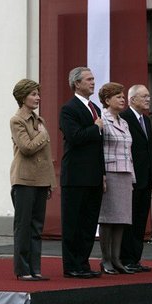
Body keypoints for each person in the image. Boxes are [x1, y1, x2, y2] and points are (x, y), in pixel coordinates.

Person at [59, 66, 105, 279]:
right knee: (73, 224)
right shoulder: (69, 109)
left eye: (93, 79)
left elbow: (99, 147)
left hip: (94, 176)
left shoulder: (95, 107)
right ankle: (72, 266)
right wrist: (95, 128)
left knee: (88, 223)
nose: (93, 83)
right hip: (76, 176)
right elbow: (74, 136)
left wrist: (102, 174)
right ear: (76, 83)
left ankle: (83, 264)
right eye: (88, 79)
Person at [10, 79, 56, 281]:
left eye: (38, 94)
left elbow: (46, 157)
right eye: (33, 94)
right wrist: (43, 136)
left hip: (40, 180)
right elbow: (26, 147)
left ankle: (35, 268)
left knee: (37, 227)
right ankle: (23, 269)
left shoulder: (40, 121)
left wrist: (50, 182)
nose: (38, 97)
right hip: (24, 179)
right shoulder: (17, 120)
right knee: (23, 226)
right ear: (23, 97)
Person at [97, 82, 135, 275]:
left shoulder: (124, 122)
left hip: (125, 173)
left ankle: (116, 258)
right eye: (118, 96)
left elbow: (129, 151)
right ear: (107, 100)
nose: (122, 99)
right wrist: (101, 175)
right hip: (110, 173)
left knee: (121, 218)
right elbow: (98, 150)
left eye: (122, 96)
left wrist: (132, 178)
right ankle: (105, 260)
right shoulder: (102, 120)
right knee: (108, 218)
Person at [120, 84, 152, 272]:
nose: (148, 99)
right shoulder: (124, 118)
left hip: (146, 179)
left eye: (149, 96)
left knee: (141, 219)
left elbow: (150, 150)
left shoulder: (147, 121)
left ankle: (136, 258)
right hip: (131, 178)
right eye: (144, 96)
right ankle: (125, 258)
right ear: (132, 99)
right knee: (130, 219)